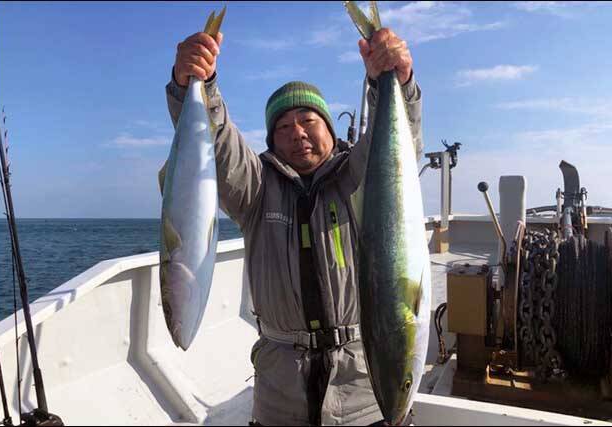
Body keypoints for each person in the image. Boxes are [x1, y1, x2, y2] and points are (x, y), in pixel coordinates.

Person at [160, 23, 423, 426]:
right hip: (280, 394)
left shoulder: (357, 175)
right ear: (270, 139)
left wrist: (396, 82)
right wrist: (196, 85)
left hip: (366, 389)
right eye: (283, 126)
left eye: (307, 120)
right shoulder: (256, 187)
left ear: (329, 129)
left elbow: (398, 145)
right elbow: (216, 146)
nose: (297, 132)